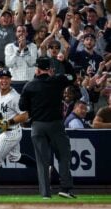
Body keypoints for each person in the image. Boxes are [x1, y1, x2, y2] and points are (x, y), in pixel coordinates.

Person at [19, 56, 76, 199]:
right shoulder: (57, 81)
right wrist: (64, 62)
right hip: (56, 124)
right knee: (64, 155)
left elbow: (22, 106)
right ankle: (65, 189)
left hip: (37, 126)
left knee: (42, 161)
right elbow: (72, 77)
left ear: (37, 69)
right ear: (50, 69)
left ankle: (45, 194)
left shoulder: (29, 85)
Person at [0, 69, 35, 193]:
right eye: (1, 78)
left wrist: (8, 122)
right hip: (5, 131)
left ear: (10, 80)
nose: (4, 80)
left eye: (7, 78)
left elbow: (26, 115)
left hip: (12, 131)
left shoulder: (15, 97)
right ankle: (44, 167)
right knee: (15, 157)